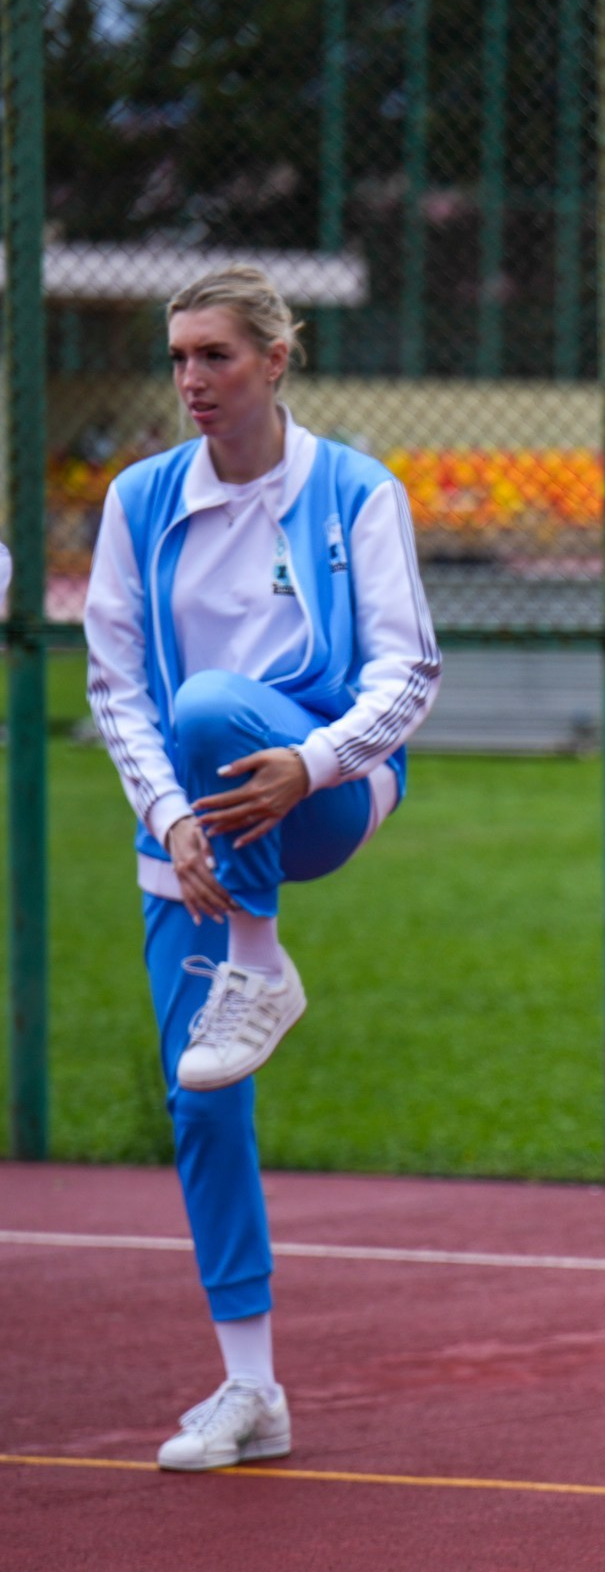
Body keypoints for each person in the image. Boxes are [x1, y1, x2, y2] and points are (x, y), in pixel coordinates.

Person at [84, 264, 442, 1472]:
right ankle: (252, 1390)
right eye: (178, 358)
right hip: (191, 833)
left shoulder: (356, 491)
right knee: (201, 1100)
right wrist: (171, 820)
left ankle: (260, 956)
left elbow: (409, 672)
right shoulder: (139, 500)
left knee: (214, 701)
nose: (191, 379)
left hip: (330, 790)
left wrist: (311, 761)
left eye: (216, 356)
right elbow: (114, 686)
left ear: (276, 360)